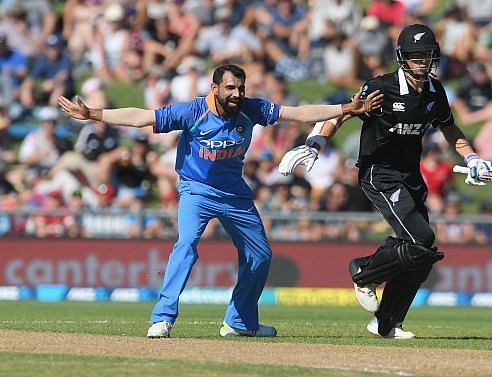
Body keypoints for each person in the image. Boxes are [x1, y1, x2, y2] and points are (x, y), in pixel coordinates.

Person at [58, 64, 382, 339]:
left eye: (240, 88)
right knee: (186, 245)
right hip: (196, 190)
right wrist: (93, 114)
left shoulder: (251, 108)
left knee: (260, 256)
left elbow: (296, 114)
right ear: (214, 88)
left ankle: (239, 323)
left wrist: (344, 109)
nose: (236, 94)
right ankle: (162, 317)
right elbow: (142, 117)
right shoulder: (192, 111)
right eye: (230, 88)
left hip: (235, 193)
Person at [279, 24, 492, 339]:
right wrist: (315, 144)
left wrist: (471, 157)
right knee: (421, 237)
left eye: (426, 54)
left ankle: (386, 323)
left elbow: (449, 127)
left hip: (410, 175)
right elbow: (342, 114)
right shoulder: (380, 88)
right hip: (378, 172)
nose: (421, 61)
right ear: (402, 57)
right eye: (415, 55)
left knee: (421, 253)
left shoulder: (435, 91)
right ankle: (364, 272)